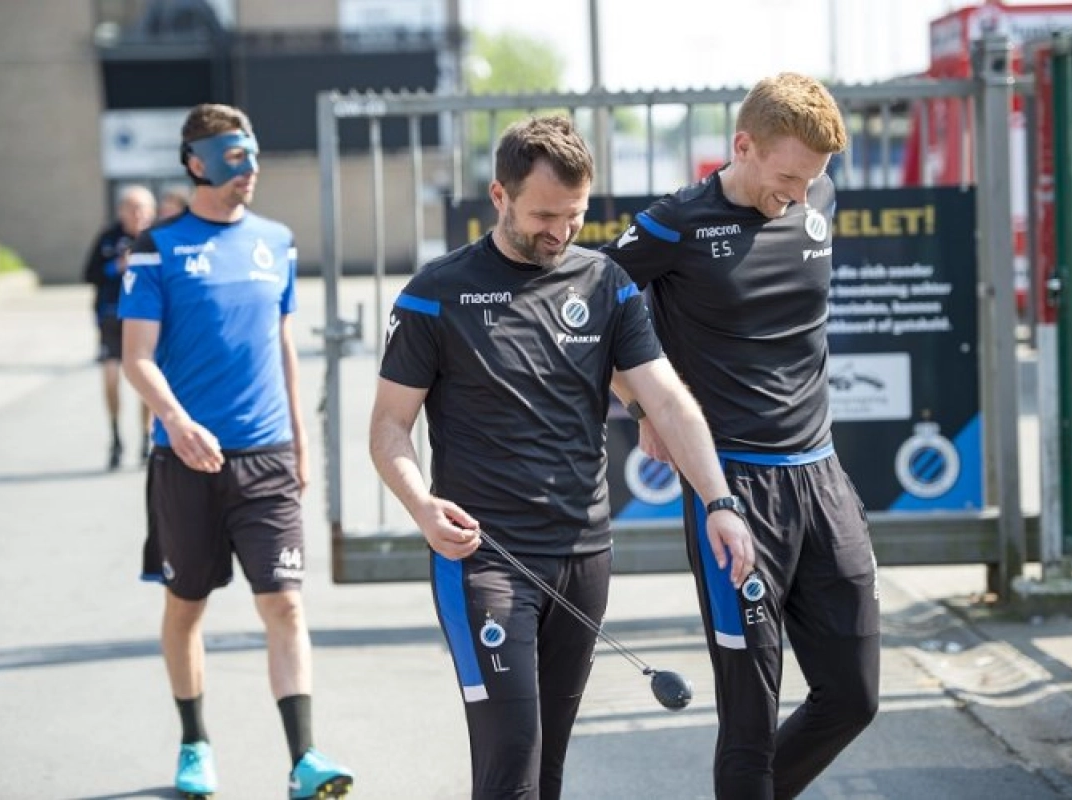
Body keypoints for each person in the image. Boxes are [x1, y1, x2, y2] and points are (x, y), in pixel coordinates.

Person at [369, 115, 755, 800]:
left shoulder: (605, 283)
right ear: (499, 196)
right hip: (483, 557)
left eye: (574, 216)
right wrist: (421, 507)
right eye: (544, 215)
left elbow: (666, 398)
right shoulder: (436, 293)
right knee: (510, 758)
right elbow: (389, 428)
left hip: (583, 555)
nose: (560, 232)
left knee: (546, 769)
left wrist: (720, 502)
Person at [600, 72, 880, 799]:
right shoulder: (675, 222)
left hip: (823, 476)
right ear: (743, 145)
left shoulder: (818, 195)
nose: (796, 193)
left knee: (853, 696)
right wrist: (645, 408)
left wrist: (802, 186)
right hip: (733, 487)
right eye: (785, 175)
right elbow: (580, 320)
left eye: (811, 179)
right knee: (750, 722)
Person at [119, 103, 352, 800]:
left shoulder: (275, 242)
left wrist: (302, 441)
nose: (247, 171)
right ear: (195, 161)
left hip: (268, 457)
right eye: (231, 157)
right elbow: (136, 357)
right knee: (186, 605)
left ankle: (304, 760)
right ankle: (195, 744)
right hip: (184, 461)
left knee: (285, 604)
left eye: (251, 156)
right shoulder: (155, 248)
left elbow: (281, 343)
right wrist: (176, 422)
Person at [82, 184, 155, 469]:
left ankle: (146, 440)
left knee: (146, 381)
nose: (137, 214)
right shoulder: (108, 238)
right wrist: (116, 267)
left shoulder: (157, 238)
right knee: (112, 377)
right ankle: (115, 436)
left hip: (147, 319)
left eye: (142, 208)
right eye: (131, 207)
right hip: (112, 318)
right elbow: (89, 274)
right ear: (121, 210)